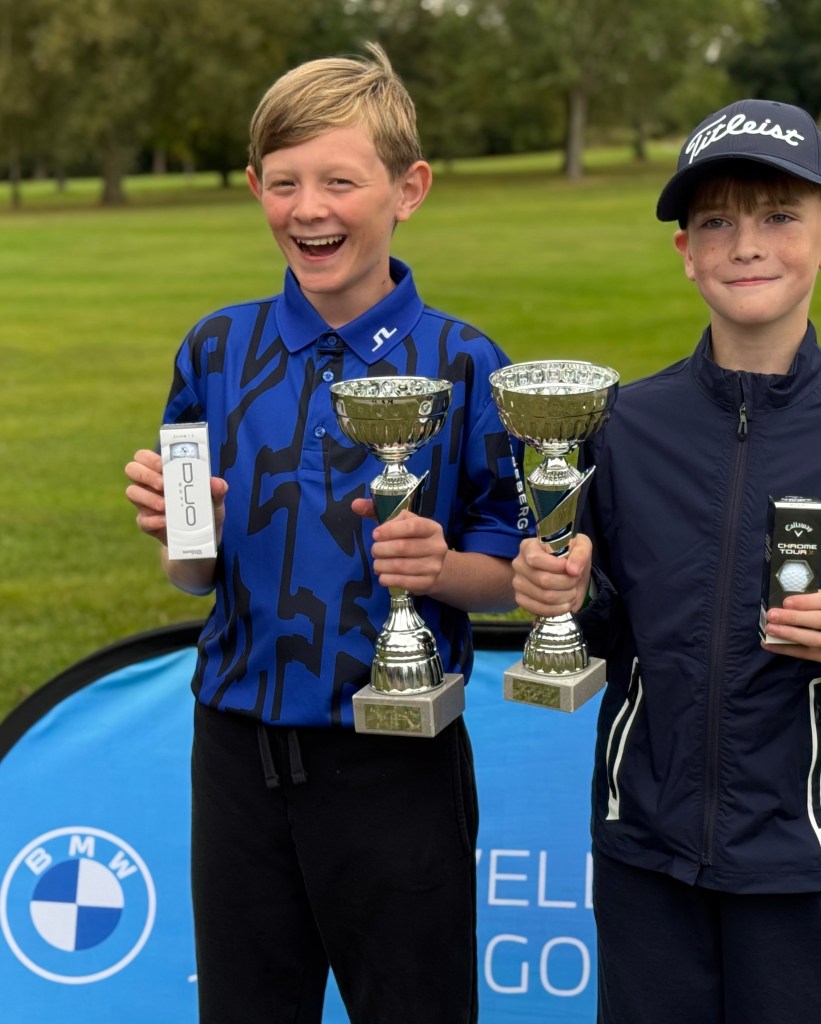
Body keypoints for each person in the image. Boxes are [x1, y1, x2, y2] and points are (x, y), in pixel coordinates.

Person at [511, 98, 821, 1024]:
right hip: (645, 845)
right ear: (686, 252)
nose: (746, 245)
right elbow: (607, 623)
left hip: (799, 853)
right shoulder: (623, 426)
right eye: (716, 222)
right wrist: (565, 594)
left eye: (779, 215)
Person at [124, 44, 529, 1024]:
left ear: (408, 189)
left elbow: (511, 571)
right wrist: (186, 531)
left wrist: (441, 566)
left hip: (396, 763)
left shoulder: (465, 363)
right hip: (237, 756)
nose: (309, 209)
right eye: (284, 181)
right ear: (255, 187)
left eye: (340, 181)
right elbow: (192, 575)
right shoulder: (215, 349)